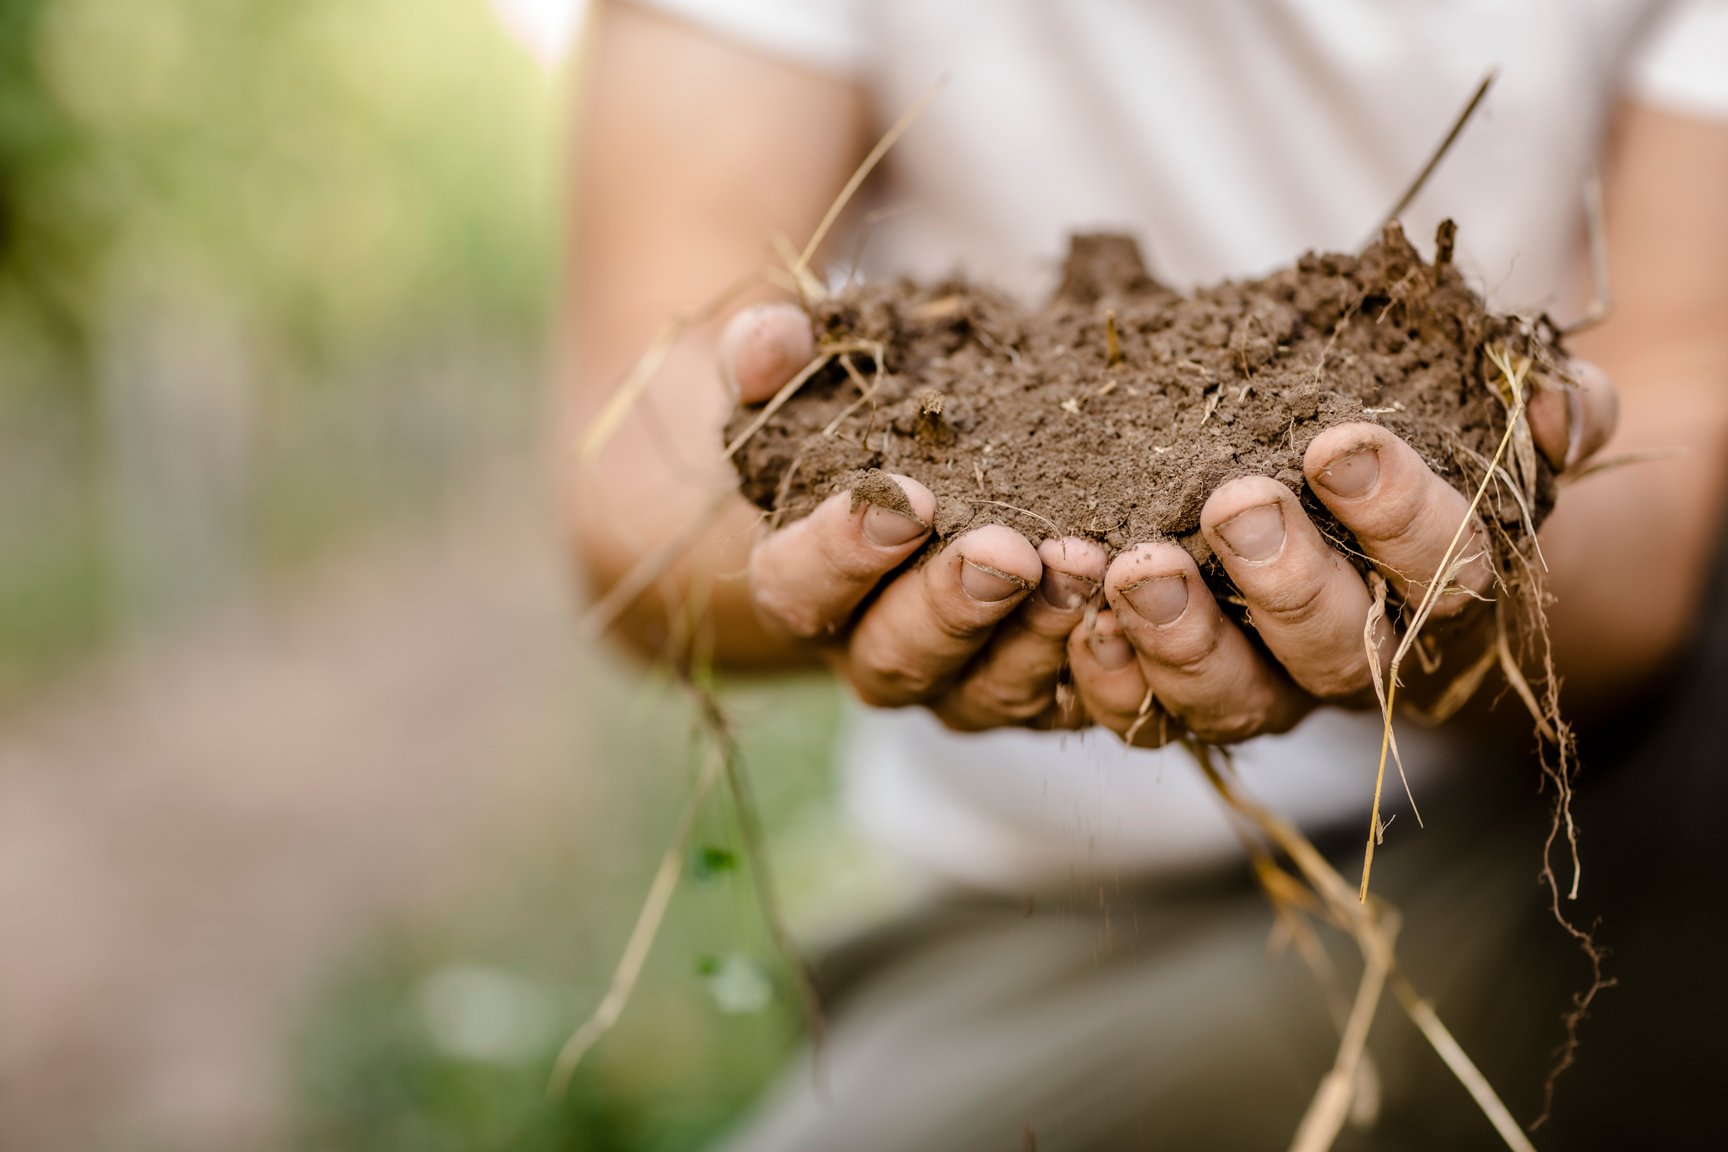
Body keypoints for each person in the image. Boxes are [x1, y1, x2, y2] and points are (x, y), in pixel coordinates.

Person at [562, 1, 1728, 1146]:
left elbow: (1662, 496)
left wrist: (1479, 556)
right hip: (1057, 931)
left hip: (1546, 852)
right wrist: (813, 501)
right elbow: (644, 477)